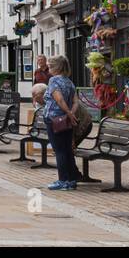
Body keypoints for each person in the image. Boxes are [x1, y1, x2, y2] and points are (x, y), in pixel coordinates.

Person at [43, 55, 80, 190]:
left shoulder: (54, 81)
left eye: (50, 66)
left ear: (56, 67)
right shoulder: (69, 82)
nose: (48, 69)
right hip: (67, 121)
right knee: (67, 150)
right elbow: (76, 101)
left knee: (59, 151)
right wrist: (71, 114)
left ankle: (63, 180)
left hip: (54, 120)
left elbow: (59, 99)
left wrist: (69, 113)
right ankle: (71, 180)